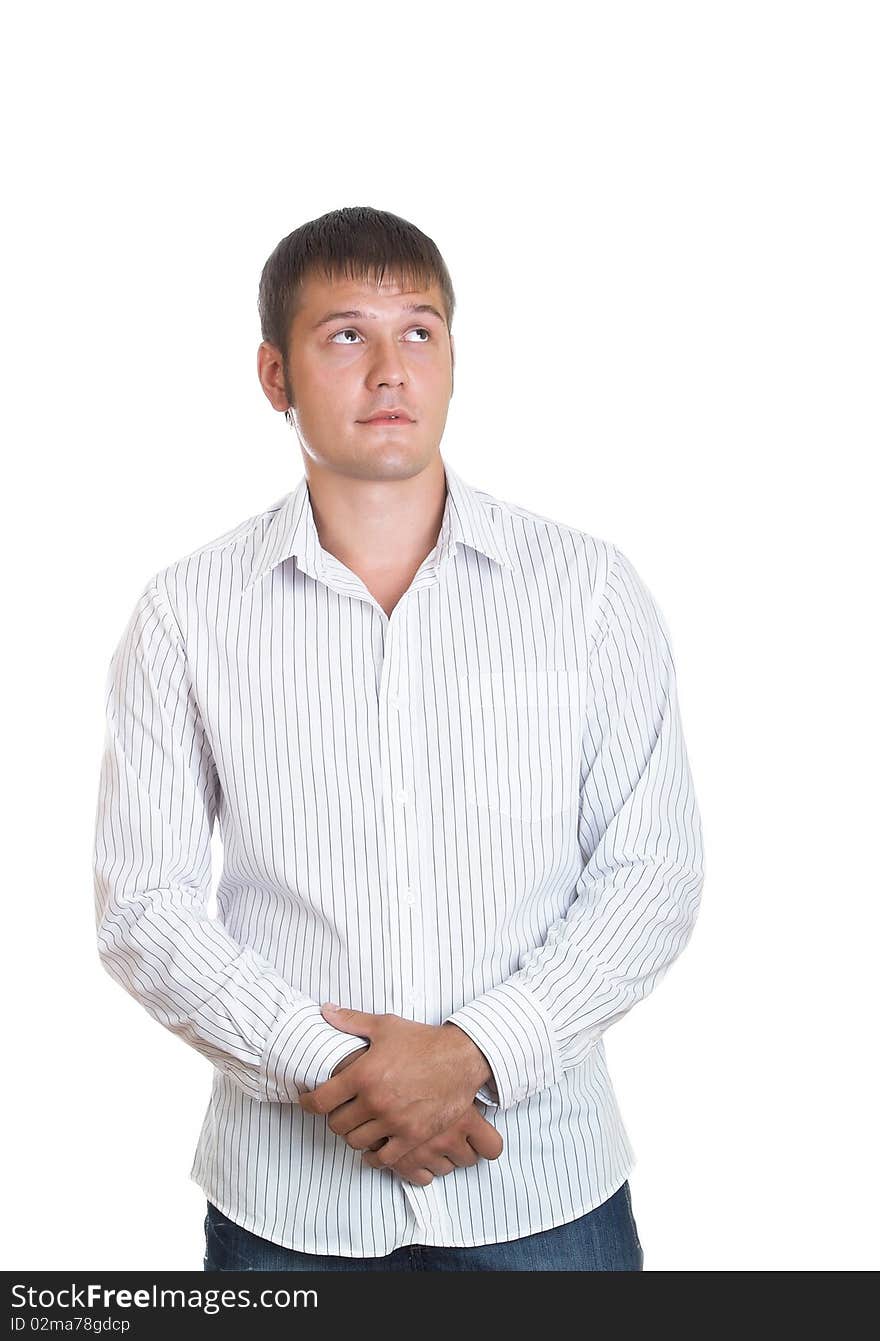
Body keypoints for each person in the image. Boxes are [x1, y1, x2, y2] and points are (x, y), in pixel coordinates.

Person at [92, 205, 704, 1272]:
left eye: (419, 331)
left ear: (453, 359)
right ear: (275, 377)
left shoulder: (588, 592)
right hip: (286, 1210)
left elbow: (651, 872)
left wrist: (474, 1054)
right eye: (345, 334)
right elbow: (142, 903)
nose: (390, 370)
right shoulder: (186, 614)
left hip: (544, 1190)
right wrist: (332, 1069)